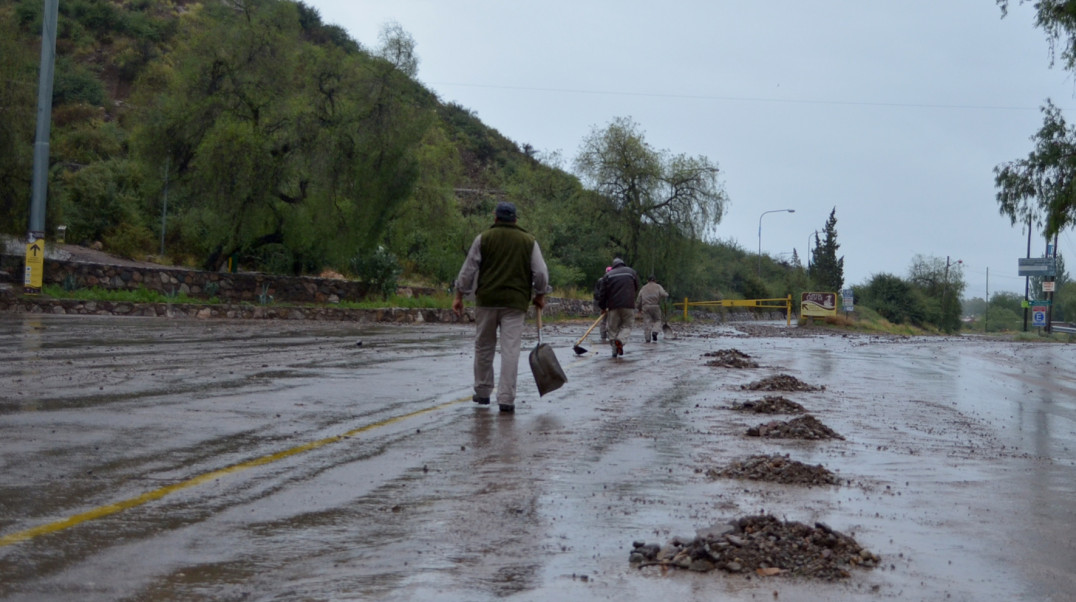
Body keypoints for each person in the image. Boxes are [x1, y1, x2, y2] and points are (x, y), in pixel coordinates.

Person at [453, 201, 551, 413]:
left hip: (487, 301)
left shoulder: (483, 238)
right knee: (510, 350)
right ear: (515, 220)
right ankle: (506, 399)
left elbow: (468, 270)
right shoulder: (529, 241)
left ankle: (482, 392)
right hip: (515, 304)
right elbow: (541, 272)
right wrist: (540, 294)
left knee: (484, 346)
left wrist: (459, 294)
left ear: (495, 218)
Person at [595, 257, 640, 358]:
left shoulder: (608, 275)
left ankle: (614, 349)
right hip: (628, 305)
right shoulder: (631, 272)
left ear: (613, 265)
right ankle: (620, 340)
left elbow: (603, 293)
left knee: (612, 328)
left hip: (613, 306)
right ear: (623, 264)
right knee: (627, 325)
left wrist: (602, 307)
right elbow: (636, 286)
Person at [636, 275, 669, 343]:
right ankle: (655, 331)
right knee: (658, 320)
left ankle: (647, 339)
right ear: (655, 280)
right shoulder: (658, 286)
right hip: (655, 306)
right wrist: (666, 294)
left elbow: (639, 299)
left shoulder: (643, 288)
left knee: (647, 322)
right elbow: (664, 294)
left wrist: (638, 308)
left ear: (647, 281)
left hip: (645, 307)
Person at [593, 266, 611, 341]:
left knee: (604, 320)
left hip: (606, 304)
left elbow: (596, 294)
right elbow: (597, 294)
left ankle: (604, 335)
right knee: (609, 320)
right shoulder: (604, 281)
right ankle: (607, 335)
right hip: (607, 304)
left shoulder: (601, 280)